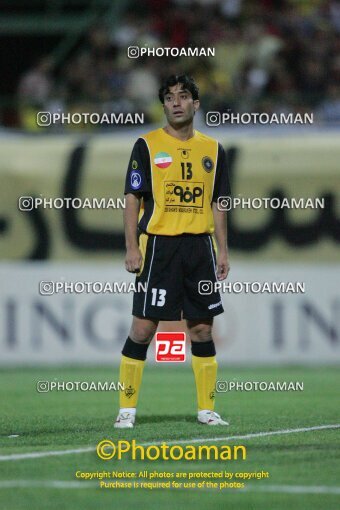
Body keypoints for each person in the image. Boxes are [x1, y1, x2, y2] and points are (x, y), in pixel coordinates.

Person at [115, 74, 230, 428]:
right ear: (162, 105)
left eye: (183, 96)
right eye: (169, 97)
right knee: (142, 329)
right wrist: (132, 246)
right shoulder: (146, 145)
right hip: (159, 247)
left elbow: (219, 202)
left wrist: (223, 250)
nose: (176, 102)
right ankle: (126, 411)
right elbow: (133, 197)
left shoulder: (213, 149)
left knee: (201, 331)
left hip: (200, 248)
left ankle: (207, 410)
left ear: (196, 104)